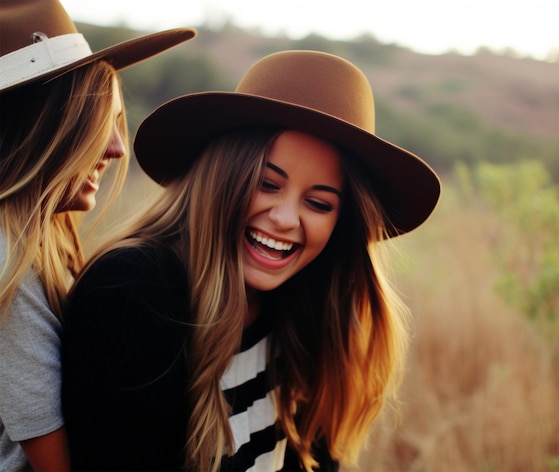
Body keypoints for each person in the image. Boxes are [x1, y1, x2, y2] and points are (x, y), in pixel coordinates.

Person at [61, 50, 441, 471]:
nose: (284, 219)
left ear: (341, 223)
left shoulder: (309, 304)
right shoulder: (134, 292)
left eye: (318, 203)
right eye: (266, 183)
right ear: (223, 174)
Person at [0, 1, 195, 470]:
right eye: (95, 122)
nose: (116, 147)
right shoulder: (12, 268)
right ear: (43, 127)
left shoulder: (38, 242)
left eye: (117, 122)